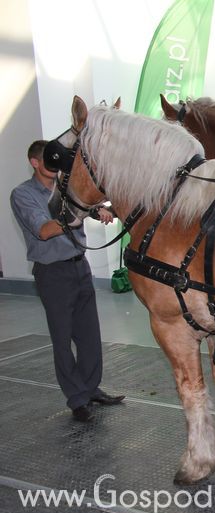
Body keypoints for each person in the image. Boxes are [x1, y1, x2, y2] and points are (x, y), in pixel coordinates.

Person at [10, 140, 123, 422]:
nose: (55, 167)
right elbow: (44, 230)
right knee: (62, 340)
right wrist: (75, 215)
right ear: (34, 163)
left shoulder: (65, 188)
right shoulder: (23, 194)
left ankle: (90, 388)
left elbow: (90, 204)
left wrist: (100, 210)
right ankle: (77, 399)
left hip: (80, 267)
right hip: (52, 274)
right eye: (49, 162)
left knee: (89, 336)